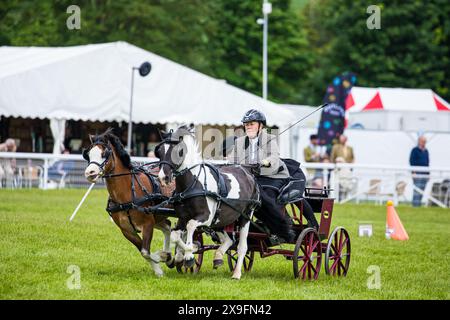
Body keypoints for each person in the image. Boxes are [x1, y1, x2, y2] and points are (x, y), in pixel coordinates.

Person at [229, 109, 318, 242]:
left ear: (261, 125)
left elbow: (274, 157)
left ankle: (303, 223)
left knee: (267, 196)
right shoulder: (240, 142)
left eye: (251, 123)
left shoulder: (269, 138)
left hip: (274, 175)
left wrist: (266, 162)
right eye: (246, 124)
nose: (248, 126)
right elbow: (232, 160)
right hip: (254, 177)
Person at [409, 136, 429, 207]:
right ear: (419, 141)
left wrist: (428, 174)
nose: (424, 143)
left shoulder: (426, 151)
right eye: (423, 141)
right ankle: (415, 205)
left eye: (425, 142)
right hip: (417, 173)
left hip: (425, 174)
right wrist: (413, 171)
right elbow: (412, 161)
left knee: (422, 190)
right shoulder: (414, 150)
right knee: (417, 190)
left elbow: (427, 163)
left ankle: (419, 205)